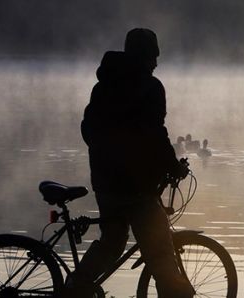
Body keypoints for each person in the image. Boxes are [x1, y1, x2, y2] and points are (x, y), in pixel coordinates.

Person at [68, 28, 194, 297]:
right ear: (146, 55)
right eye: (154, 56)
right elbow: (156, 135)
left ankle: (73, 290)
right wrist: (173, 167)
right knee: (159, 248)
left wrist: (105, 155)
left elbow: (88, 128)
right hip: (137, 187)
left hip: (105, 181)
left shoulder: (103, 86)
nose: (157, 63)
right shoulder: (150, 87)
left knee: (112, 244)